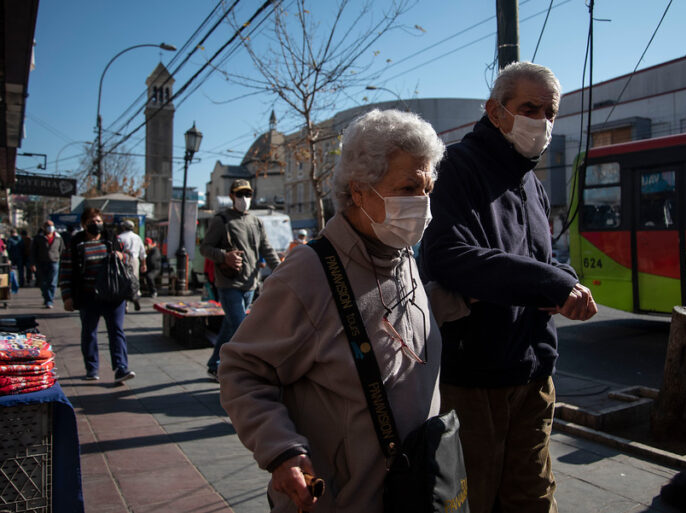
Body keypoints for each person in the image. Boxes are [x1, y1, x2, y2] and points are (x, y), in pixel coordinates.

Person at [219, 109, 444, 512]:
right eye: (409, 188)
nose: (422, 204)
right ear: (359, 191)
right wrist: (281, 450)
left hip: (411, 491)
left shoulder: (403, 254)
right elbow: (241, 370)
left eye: (427, 188)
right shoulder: (307, 273)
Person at [420, 61, 598, 513]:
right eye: (529, 108)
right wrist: (552, 283)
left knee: (533, 498)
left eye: (550, 111)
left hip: (534, 373)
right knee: (475, 499)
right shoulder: (456, 166)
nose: (541, 121)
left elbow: (540, 263)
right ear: (495, 111)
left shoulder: (531, 182)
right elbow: (446, 254)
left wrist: (565, 284)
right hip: (477, 379)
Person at [200, 179, 281, 382]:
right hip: (229, 284)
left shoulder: (256, 221)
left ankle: (214, 365)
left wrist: (282, 271)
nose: (244, 199)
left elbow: (267, 249)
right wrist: (223, 256)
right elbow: (205, 248)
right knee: (242, 328)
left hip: (250, 284)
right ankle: (246, 372)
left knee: (230, 326)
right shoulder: (221, 220)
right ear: (231, 196)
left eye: (247, 194)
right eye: (239, 195)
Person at [60, 207, 135, 383]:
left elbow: (128, 257)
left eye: (99, 221)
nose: (96, 224)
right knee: (89, 332)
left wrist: (121, 256)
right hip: (87, 296)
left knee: (116, 331)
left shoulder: (111, 239)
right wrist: (67, 296)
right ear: (84, 224)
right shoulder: (75, 244)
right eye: (92, 221)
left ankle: (120, 368)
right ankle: (92, 368)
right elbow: (66, 271)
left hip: (113, 294)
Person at [30, 220, 65, 308]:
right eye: (48, 226)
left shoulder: (58, 237)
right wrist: (33, 263)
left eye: (52, 225)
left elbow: (62, 249)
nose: (50, 227)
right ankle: (46, 297)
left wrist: (60, 259)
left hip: (54, 262)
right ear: (44, 227)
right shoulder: (38, 238)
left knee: (52, 282)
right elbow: (33, 251)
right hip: (41, 263)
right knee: (43, 283)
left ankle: (49, 300)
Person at [117, 220, 146, 311]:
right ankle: (136, 297)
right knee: (134, 281)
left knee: (123, 281)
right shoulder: (137, 237)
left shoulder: (120, 237)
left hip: (123, 260)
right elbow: (142, 253)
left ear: (124, 227)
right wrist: (144, 264)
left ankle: (126, 305)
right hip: (135, 261)